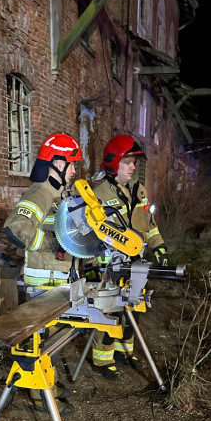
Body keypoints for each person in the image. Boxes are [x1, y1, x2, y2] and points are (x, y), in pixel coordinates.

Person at [3, 132, 83, 414]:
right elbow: (15, 227)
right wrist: (53, 244)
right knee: (43, 344)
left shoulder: (60, 195)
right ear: (57, 163)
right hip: (42, 285)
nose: (74, 170)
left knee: (53, 343)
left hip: (59, 281)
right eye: (72, 164)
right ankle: (40, 396)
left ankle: (48, 385)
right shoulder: (39, 193)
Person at [90, 134, 169, 379]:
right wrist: (92, 266)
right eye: (128, 162)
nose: (133, 167)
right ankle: (103, 359)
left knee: (132, 307)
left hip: (136, 261)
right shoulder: (98, 193)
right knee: (109, 311)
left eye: (134, 162)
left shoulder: (139, 190)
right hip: (110, 264)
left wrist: (159, 247)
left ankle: (125, 351)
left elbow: (150, 223)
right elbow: (92, 234)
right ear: (114, 163)